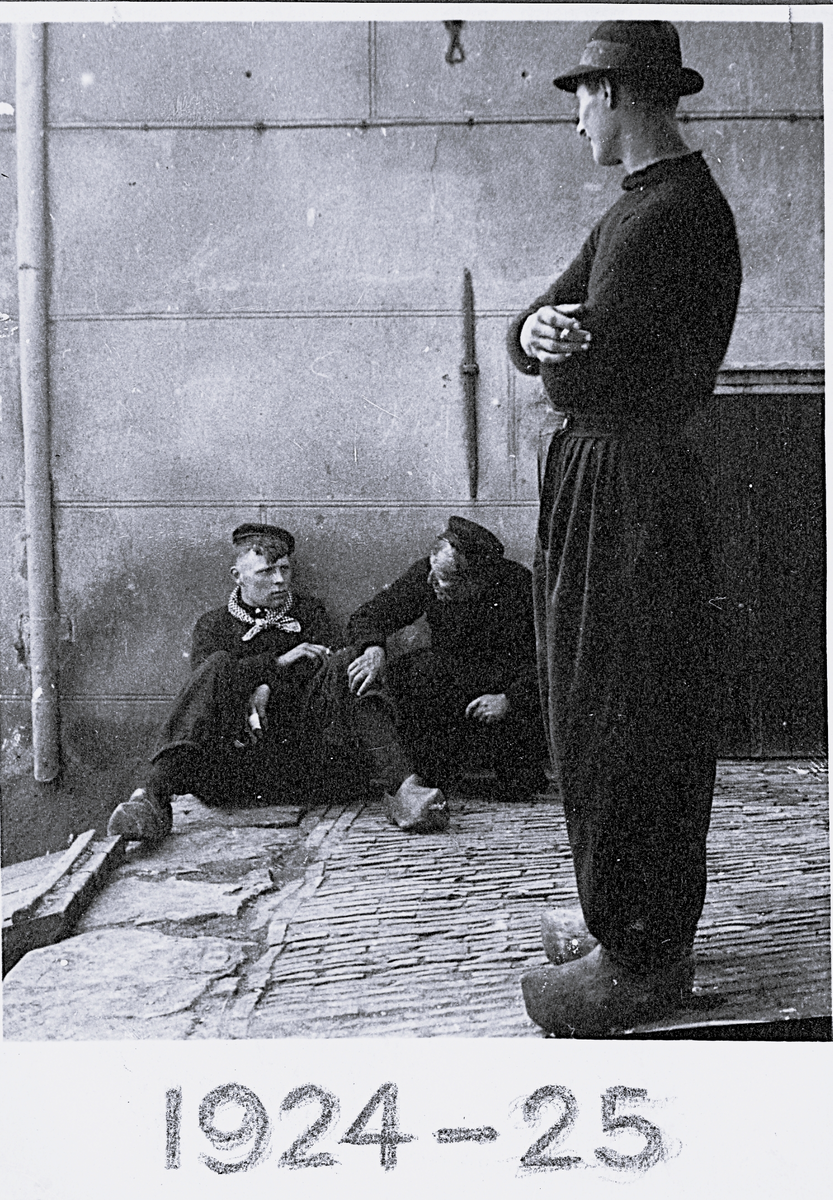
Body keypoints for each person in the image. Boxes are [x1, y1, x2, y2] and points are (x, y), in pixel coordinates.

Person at [506, 21, 742, 1035]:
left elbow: (583, 371)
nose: (577, 121)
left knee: (626, 712)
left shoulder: (668, 217)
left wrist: (552, 351)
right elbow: (539, 327)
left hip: (629, 484)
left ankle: (642, 956)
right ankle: (625, 923)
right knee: (601, 703)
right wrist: (534, 332)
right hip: (614, 478)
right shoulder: (641, 208)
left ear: (616, 94)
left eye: (581, 99)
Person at [106, 523, 445, 841]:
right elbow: (204, 691)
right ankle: (152, 798)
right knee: (217, 665)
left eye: (285, 569)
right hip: (234, 771)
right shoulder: (213, 625)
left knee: (346, 662)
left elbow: (322, 679)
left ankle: (403, 789)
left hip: (306, 766)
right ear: (238, 576)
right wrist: (278, 663)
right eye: (266, 572)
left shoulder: (310, 614)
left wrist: (267, 685)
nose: (280, 580)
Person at [345, 516, 548, 802]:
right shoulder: (430, 576)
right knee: (417, 671)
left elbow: (545, 661)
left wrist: (509, 699)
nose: (434, 584)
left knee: (519, 785)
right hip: (450, 686)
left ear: (477, 582)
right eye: (433, 573)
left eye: (446, 582)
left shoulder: (517, 587)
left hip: (503, 691)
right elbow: (369, 615)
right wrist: (373, 648)